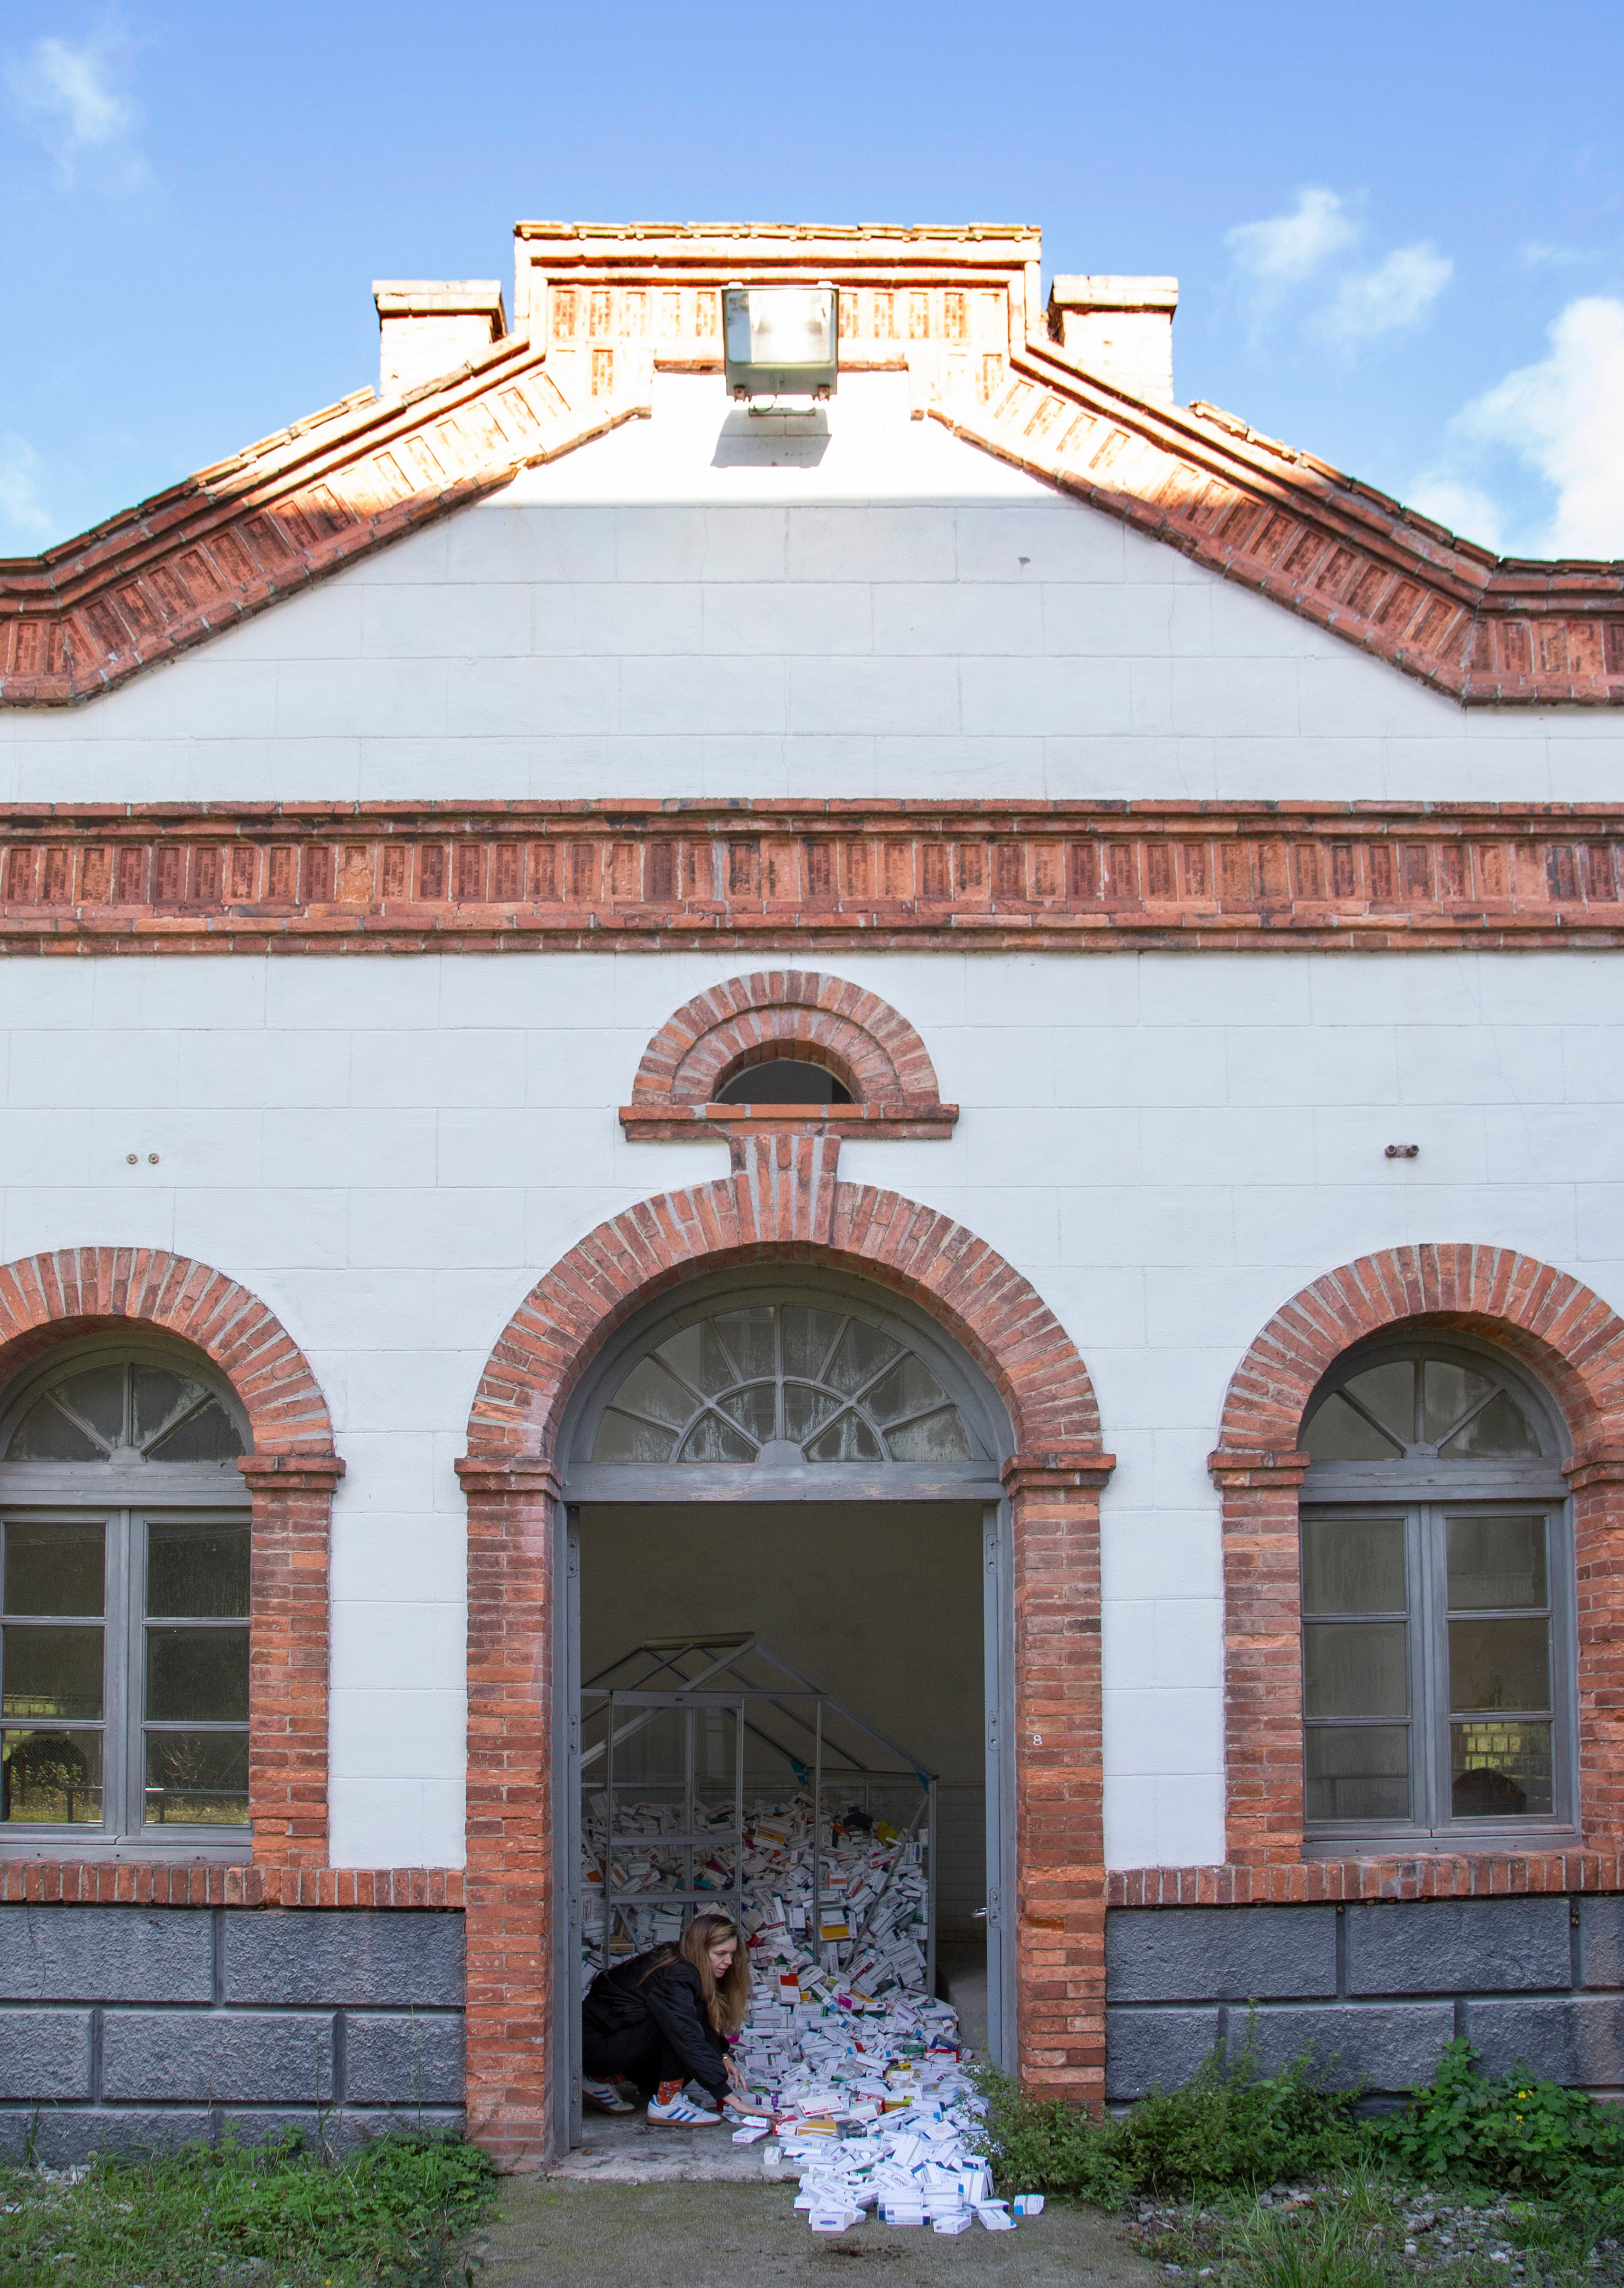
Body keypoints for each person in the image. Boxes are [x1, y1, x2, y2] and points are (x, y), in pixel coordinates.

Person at [581, 1910, 754, 2126]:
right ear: (700, 1950)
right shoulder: (676, 1974)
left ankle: (599, 2080)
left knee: (685, 2022)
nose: (729, 1962)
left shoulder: (682, 1960)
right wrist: (728, 2097)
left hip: (611, 2042)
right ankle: (666, 2104)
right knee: (675, 2025)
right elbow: (685, 2032)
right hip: (594, 2049)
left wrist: (723, 2056)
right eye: (720, 1954)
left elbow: (698, 2018)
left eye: (732, 1954)